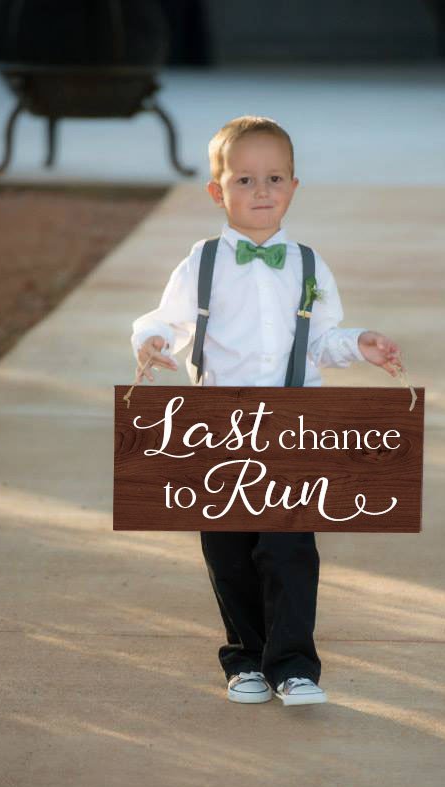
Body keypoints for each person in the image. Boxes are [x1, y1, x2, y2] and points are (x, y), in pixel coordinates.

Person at [130, 115, 403, 706]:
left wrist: (359, 343)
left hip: (291, 420)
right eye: (244, 180)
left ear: (294, 187)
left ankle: (294, 665)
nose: (261, 191)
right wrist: (150, 341)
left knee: (288, 547)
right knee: (228, 549)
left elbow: (323, 338)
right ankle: (246, 657)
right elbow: (164, 319)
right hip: (218, 421)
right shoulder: (201, 262)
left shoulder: (309, 264)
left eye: (273, 178)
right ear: (216, 191)